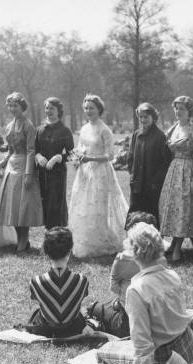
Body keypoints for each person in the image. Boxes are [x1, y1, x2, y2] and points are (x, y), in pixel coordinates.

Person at [122, 223, 193, 364]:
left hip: (165, 359)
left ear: (134, 252)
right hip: (189, 348)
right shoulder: (172, 275)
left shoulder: (136, 290)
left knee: (108, 351)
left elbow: (141, 340)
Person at [69, 94, 128, 258]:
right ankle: (84, 240)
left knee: (99, 207)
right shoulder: (84, 128)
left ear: (99, 109)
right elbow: (80, 147)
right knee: (83, 205)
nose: (88, 111)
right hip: (85, 172)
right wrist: (78, 158)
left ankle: (102, 240)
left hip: (101, 172)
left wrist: (90, 159)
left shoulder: (104, 129)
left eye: (91, 108)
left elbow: (110, 156)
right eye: (86, 108)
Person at [0, 92, 43, 253]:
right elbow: (9, 151)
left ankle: (24, 240)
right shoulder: (8, 126)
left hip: (23, 167)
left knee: (23, 206)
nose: (13, 109)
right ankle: (20, 239)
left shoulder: (28, 125)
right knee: (12, 206)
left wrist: (28, 174)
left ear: (22, 107)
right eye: (10, 106)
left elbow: (31, 150)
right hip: (10, 168)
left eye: (16, 106)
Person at [19, 227, 90, 338]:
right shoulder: (82, 280)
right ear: (70, 251)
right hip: (74, 329)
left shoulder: (36, 282)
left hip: (46, 330)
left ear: (46, 251)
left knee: (37, 313)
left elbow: (36, 299)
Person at [159, 96, 193, 262]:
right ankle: (173, 244)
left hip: (188, 167)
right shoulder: (173, 128)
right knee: (172, 206)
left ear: (189, 111)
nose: (178, 112)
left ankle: (177, 247)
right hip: (174, 169)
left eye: (182, 109)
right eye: (176, 108)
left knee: (184, 208)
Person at [127, 102, 172, 227]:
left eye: (146, 117)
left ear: (153, 117)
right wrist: (132, 176)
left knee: (151, 215)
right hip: (137, 184)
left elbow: (165, 163)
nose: (143, 119)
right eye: (140, 117)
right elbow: (130, 158)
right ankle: (135, 240)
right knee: (135, 214)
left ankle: (153, 242)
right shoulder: (136, 135)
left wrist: (155, 182)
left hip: (152, 186)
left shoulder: (160, 136)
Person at [35, 97, 75, 229]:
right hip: (42, 172)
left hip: (58, 173)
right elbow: (34, 150)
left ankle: (58, 233)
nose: (48, 111)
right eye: (47, 108)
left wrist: (58, 157)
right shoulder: (40, 130)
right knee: (44, 201)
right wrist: (38, 156)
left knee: (56, 202)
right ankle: (48, 234)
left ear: (59, 111)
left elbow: (71, 153)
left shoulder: (65, 131)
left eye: (52, 108)